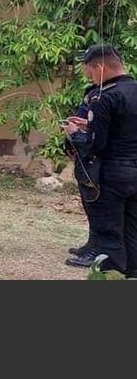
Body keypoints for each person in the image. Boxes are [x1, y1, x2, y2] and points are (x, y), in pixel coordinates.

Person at [62, 45, 137, 276]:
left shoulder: (106, 95)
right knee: (132, 228)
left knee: (109, 230)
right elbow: (123, 126)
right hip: (134, 169)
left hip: (112, 172)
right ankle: (133, 270)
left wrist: (74, 133)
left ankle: (112, 271)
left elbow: (97, 143)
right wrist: (90, 124)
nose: (91, 78)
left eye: (91, 73)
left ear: (100, 67)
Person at [63, 82, 101, 259]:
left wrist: (82, 129)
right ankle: (91, 243)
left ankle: (98, 249)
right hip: (82, 152)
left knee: (97, 203)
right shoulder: (91, 91)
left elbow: (102, 128)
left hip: (96, 156)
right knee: (88, 202)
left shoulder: (108, 94)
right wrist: (70, 141)